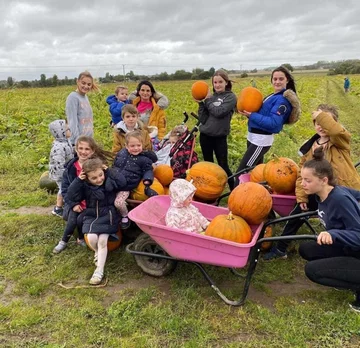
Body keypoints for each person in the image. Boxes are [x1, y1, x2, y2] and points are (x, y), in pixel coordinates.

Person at [263, 104, 360, 260]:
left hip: (343, 194)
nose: (321, 126)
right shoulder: (310, 147)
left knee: (348, 227)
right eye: (317, 122)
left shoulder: (340, 142)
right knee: (296, 214)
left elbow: (335, 130)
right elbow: (303, 173)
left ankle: (346, 256)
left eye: (325, 121)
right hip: (320, 192)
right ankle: (281, 249)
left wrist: (321, 115)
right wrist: (301, 196)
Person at [297, 149, 360, 312]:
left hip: (357, 247)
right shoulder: (324, 194)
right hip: (348, 247)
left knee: (312, 271)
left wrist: (333, 234)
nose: (302, 183)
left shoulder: (339, 199)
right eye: (302, 179)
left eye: (307, 180)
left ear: (324, 180)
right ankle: (346, 269)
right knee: (306, 249)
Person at [235, 66, 300, 185]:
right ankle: (260, 198)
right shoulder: (273, 96)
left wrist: (252, 116)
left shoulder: (282, 101)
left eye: (281, 79)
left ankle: (234, 201)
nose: (277, 82)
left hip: (261, 140)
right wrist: (249, 113)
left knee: (241, 174)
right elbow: (262, 114)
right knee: (258, 173)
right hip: (253, 137)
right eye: (275, 79)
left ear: (287, 81)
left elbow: (274, 124)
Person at [65, 158, 124, 285]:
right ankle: (97, 252)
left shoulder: (109, 181)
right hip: (91, 216)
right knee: (91, 239)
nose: (98, 179)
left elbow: (122, 181)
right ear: (87, 178)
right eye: (94, 178)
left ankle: (99, 271)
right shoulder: (84, 186)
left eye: (100, 175)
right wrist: (78, 181)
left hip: (108, 215)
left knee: (103, 241)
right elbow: (70, 195)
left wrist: (109, 171)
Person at [52, 136, 114, 254]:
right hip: (76, 203)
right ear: (76, 149)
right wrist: (74, 204)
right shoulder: (70, 169)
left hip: (92, 203)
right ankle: (64, 241)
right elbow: (65, 191)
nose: (83, 152)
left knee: (81, 220)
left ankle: (80, 237)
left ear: (93, 151)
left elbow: (107, 185)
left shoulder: (97, 167)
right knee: (73, 218)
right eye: (80, 148)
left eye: (87, 149)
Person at [196, 69, 237, 190]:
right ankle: (211, 190)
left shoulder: (230, 97)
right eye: (215, 82)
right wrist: (201, 104)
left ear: (226, 82)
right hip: (205, 136)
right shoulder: (211, 97)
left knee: (223, 165)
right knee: (208, 166)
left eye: (220, 82)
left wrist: (207, 101)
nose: (217, 85)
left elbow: (219, 112)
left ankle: (234, 190)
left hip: (220, 137)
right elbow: (202, 118)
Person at [112, 130, 158, 229]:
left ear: (142, 145)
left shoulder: (144, 159)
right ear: (126, 146)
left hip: (126, 186)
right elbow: (115, 165)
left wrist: (147, 180)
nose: (136, 148)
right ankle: (109, 217)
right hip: (113, 182)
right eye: (132, 146)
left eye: (138, 145)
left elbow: (148, 170)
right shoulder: (122, 153)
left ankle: (125, 216)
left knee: (118, 203)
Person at [66, 71, 99, 146]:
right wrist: (77, 142)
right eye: (83, 83)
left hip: (87, 140)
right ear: (77, 82)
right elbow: (72, 121)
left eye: (89, 84)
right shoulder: (73, 97)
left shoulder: (85, 97)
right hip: (79, 143)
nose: (86, 86)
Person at [48, 120, 74, 217]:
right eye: (67, 129)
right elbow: (58, 162)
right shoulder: (59, 147)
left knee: (65, 188)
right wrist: (64, 173)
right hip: (60, 173)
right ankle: (58, 208)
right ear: (61, 133)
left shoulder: (65, 141)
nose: (69, 130)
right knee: (62, 189)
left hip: (66, 170)